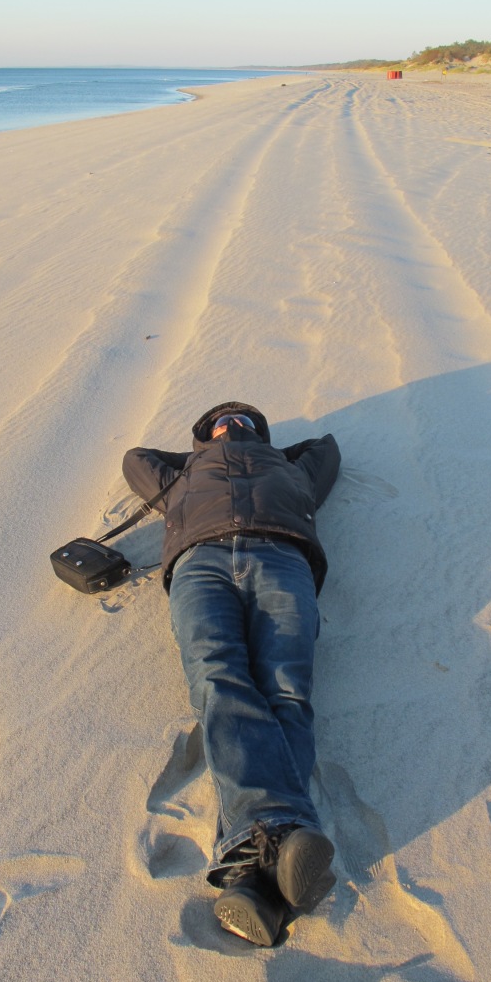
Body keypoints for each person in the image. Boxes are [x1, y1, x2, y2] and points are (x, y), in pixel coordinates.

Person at [122, 401, 341, 947]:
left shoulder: (291, 468)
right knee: (218, 679)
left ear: (264, 435)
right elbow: (135, 458)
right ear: (202, 435)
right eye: (222, 420)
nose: (233, 423)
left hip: (283, 556)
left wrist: (265, 452)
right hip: (200, 562)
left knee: (287, 691)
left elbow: (325, 449)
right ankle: (281, 838)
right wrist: (203, 455)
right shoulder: (180, 475)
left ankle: (250, 879)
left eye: (245, 420)